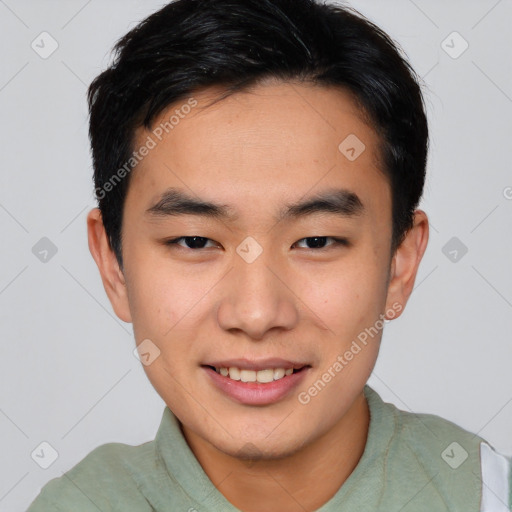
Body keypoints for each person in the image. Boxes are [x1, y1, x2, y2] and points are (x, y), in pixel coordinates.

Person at [27, 0, 511, 510]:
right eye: (195, 241)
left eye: (316, 241)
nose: (256, 314)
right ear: (113, 263)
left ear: (400, 263)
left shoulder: (485, 495)